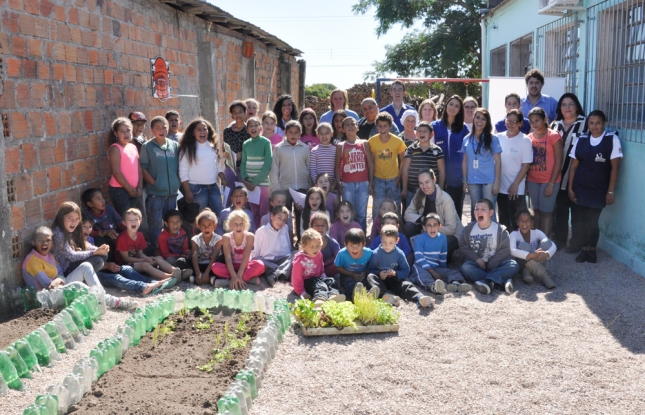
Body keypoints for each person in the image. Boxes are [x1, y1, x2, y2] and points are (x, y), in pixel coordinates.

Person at [38, 221, 137, 309]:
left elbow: (60, 274)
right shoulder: (32, 261)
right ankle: (111, 301)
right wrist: (59, 280)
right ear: (33, 242)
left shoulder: (50, 255)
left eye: (48, 240)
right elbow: (48, 285)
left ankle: (104, 298)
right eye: (40, 240)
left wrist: (60, 279)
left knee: (86, 266)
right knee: (78, 286)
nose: (45, 243)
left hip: (61, 285)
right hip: (49, 297)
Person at [567, 110, 622, 263]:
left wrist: (610, 191)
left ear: (604, 123)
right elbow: (573, 167)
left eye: (598, 122)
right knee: (582, 221)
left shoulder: (612, 139)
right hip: (581, 187)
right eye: (591, 123)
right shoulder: (581, 140)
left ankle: (592, 250)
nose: (595, 126)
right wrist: (570, 188)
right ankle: (584, 251)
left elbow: (615, 168)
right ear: (588, 124)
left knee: (592, 221)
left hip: (599, 189)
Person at [82, 218, 171, 296]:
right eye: (84, 226)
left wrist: (108, 264)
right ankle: (143, 287)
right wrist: (107, 265)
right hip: (88, 274)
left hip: (99, 267)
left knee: (126, 269)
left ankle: (153, 283)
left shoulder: (90, 239)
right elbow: (86, 263)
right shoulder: (75, 241)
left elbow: (97, 259)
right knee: (115, 278)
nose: (88, 229)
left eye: (90, 227)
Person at [459, 199, 519, 295]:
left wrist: (492, 263)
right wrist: (476, 259)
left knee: (513, 265)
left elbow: (505, 249)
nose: (479, 212)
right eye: (476, 209)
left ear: (491, 212)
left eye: (483, 209)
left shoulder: (501, 230)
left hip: (496, 264)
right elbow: (463, 245)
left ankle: (487, 282)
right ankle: (500, 281)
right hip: (477, 265)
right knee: (465, 268)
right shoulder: (468, 229)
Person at [550, 93, 587, 249]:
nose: (567, 107)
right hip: (558, 176)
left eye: (571, 104)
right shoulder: (554, 125)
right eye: (564, 105)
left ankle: (576, 242)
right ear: (560, 108)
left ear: (577, 106)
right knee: (561, 210)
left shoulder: (585, 124)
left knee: (578, 211)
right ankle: (560, 240)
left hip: (577, 176)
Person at [366, 225, 434, 308]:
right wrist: (379, 273)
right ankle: (385, 295)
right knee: (371, 277)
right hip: (381, 280)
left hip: (395, 279)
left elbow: (406, 270)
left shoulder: (399, 253)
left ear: (397, 241)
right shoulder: (376, 253)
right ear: (381, 239)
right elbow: (370, 270)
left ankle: (420, 297)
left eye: (390, 243)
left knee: (406, 284)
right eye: (384, 242)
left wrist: (396, 273)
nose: (387, 246)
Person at [403, 169, 462, 260]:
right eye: (421, 183)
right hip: (427, 232)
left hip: (446, 235)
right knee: (408, 226)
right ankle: (420, 253)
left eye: (427, 182)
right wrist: (423, 219)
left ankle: (428, 255)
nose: (424, 186)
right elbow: (407, 214)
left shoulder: (446, 199)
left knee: (448, 243)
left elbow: (451, 229)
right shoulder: (419, 194)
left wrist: (429, 228)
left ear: (434, 180)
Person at [140, 115, 180, 248]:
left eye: (164, 127)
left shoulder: (174, 145)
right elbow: (143, 168)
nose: (161, 130)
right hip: (156, 193)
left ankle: (171, 249)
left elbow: (180, 166)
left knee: (171, 223)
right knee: (156, 223)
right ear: (152, 130)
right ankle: (158, 250)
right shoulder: (147, 146)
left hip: (172, 193)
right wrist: (154, 182)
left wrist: (177, 182)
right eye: (158, 128)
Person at [269, 120, 310, 240]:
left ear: (300, 133)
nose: (293, 135)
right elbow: (274, 170)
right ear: (285, 132)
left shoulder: (305, 148)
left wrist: (309, 187)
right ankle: (285, 240)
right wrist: (276, 189)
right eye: (290, 132)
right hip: (285, 188)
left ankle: (300, 240)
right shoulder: (279, 148)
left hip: (302, 187)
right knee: (284, 216)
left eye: (296, 132)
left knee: (300, 215)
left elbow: (309, 167)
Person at [116, 208, 182, 281]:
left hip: (138, 261)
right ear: (124, 223)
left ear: (140, 221)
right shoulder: (122, 238)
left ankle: (176, 271)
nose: (133, 222)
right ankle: (169, 277)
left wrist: (147, 258)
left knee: (158, 258)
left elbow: (140, 253)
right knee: (145, 264)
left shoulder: (140, 235)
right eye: (130, 220)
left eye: (136, 220)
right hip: (125, 266)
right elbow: (126, 259)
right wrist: (144, 260)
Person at [412, 213, 471, 294]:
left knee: (453, 272)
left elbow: (443, 256)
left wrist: (442, 271)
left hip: (435, 267)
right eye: (429, 225)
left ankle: (456, 283)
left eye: (435, 225)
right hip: (421, 266)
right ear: (424, 227)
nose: (432, 228)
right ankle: (432, 287)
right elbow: (419, 258)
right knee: (423, 276)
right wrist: (433, 272)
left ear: (440, 226)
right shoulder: (420, 239)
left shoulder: (443, 238)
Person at [178, 118, 227, 215]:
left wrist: (223, 179)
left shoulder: (212, 147)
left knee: (218, 214)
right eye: (199, 129)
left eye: (205, 129)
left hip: (213, 187)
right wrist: (188, 191)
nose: (202, 132)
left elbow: (217, 165)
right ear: (193, 132)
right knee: (199, 217)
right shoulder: (187, 150)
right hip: (196, 189)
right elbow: (183, 172)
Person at [527, 107, 563, 237]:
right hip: (532, 180)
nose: (534, 124)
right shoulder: (529, 137)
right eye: (531, 121)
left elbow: (559, 161)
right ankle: (535, 240)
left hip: (549, 181)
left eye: (537, 120)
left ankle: (545, 242)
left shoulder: (553, 136)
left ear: (545, 119)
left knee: (546, 212)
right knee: (536, 212)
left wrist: (551, 184)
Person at [461, 108, 502, 220]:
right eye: (477, 117)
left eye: (483, 119)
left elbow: (498, 161)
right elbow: (465, 161)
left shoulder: (493, 139)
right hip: (473, 180)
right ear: (473, 119)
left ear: (487, 122)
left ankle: (492, 235)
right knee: (476, 210)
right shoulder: (466, 139)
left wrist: (497, 182)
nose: (480, 121)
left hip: (488, 181)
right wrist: (464, 181)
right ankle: (476, 235)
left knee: (489, 210)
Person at [432, 95, 469, 218]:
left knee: (456, 210)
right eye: (451, 104)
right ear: (446, 105)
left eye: (457, 106)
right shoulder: (434, 126)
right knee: (438, 211)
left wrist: (465, 179)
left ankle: (456, 236)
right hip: (437, 176)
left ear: (460, 110)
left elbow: (466, 155)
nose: (453, 107)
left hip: (456, 177)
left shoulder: (464, 130)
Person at [496, 109, 533, 231]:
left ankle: (518, 246)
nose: (510, 124)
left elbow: (526, 165)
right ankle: (506, 246)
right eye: (508, 120)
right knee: (503, 220)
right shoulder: (498, 138)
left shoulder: (525, 140)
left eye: (514, 121)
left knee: (516, 220)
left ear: (520, 124)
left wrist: (515, 184)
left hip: (516, 189)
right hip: (500, 186)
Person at [335, 117, 373, 231]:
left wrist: (371, 183)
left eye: (353, 124)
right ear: (343, 129)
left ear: (357, 127)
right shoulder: (341, 146)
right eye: (347, 125)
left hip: (363, 183)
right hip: (347, 184)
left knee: (362, 214)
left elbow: (370, 164)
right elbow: (337, 165)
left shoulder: (364, 143)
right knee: (349, 212)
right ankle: (350, 236)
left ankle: (362, 237)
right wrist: (338, 181)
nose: (350, 126)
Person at [368, 112, 407, 217]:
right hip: (378, 179)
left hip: (393, 179)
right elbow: (371, 162)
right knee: (377, 207)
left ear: (390, 126)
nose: (382, 129)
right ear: (376, 127)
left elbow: (404, 161)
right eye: (380, 126)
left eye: (385, 126)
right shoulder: (372, 141)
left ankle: (397, 229)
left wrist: (398, 180)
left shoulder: (398, 141)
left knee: (395, 207)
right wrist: (371, 181)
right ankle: (376, 230)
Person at [212, 211, 264, 289]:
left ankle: (230, 281)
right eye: (235, 224)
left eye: (241, 224)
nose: (238, 227)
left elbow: (246, 256)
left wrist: (239, 275)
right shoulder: (226, 237)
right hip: (231, 267)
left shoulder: (250, 236)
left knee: (260, 265)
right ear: (230, 225)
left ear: (246, 225)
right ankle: (247, 280)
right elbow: (228, 258)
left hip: (245, 266)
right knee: (215, 267)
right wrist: (234, 275)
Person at [292, 229, 344, 306]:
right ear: (304, 246)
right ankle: (319, 299)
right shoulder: (300, 260)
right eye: (311, 247)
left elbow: (321, 266)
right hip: (306, 282)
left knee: (331, 280)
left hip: (317, 278)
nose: (315, 249)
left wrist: (324, 276)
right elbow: (296, 278)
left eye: (317, 246)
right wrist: (302, 292)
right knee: (319, 285)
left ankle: (333, 295)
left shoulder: (319, 254)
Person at [401, 121, 445, 207]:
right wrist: (405, 189)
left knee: (429, 215)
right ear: (416, 134)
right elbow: (405, 169)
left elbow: (441, 171)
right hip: (412, 191)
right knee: (410, 215)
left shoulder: (437, 150)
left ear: (431, 134)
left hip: (431, 191)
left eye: (425, 131)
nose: (422, 133)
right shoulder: (411, 149)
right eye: (419, 131)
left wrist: (440, 190)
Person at [107, 117, 144, 219]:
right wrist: (129, 189)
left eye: (128, 130)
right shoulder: (115, 148)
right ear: (115, 134)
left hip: (135, 190)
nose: (126, 134)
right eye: (122, 131)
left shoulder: (133, 147)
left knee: (136, 219)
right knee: (125, 220)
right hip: (120, 190)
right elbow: (116, 172)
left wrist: (139, 187)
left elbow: (139, 168)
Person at [509, 209, 556, 288]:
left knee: (546, 242)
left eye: (527, 220)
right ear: (517, 222)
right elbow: (512, 251)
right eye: (521, 220)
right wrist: (531, 255)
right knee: (523, 245)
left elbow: (552, 244)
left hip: (537, 259)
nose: (524, 223)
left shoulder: (536, 232)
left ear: (532, 222)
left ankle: (527, 272)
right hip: (521, 264)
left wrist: (547, 254)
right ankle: (544, 277)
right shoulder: (514, 234)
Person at [241, 116, 272, 230]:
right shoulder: (246, 144)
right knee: (254, 212)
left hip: (262, 184)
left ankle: (265, 237)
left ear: (260, 128)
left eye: (256, 125)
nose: (253, 128)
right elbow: (243, 163)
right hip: (249, 185)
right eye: (250, 126)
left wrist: (255, 182)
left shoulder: (265, 142)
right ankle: (255, 237)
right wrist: (245, 179)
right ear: (247, 129)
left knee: (263, 212)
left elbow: (267, 165)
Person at [252, 205, 293, 287]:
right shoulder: (261, 231)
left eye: (284, 220)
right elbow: (256, 253)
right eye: (279, 218)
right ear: (272, 216)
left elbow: (288, 248)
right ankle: (279, 271)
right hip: (267, 261)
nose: (281, 222)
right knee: (257, 259)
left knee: (296, 254)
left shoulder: (285, 228)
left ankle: (274, 274)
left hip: (282, 260)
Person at [81, 188, 125, 263]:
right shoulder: (86, 214)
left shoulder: (109, 208)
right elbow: (89, 233)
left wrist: (129, 232)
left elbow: (120, 223)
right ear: (90, 204)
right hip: (100, 239)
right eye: (98, 199)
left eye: (102, 198)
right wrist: (104, 232)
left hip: (114, 235)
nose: (103, 201)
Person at [334, 229, 374, 301]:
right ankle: (353, 296)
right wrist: (351, 274)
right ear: (345, 245)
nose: (355, 249)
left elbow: (372, 264)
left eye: (358, 245)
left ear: (364, 244)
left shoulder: (369, 253)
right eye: (351, 245)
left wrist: (365, 272)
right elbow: (337, 267)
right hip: (348, 274)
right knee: (350, 284)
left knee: (368, 281)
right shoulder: (342, 254)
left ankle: (369, 295)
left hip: (362, 274)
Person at [190, 209, 222, 286]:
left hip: (212, 266)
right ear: (199, 226)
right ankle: (201, 277)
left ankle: (207, 277)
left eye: (209, 225)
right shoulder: (195, 239)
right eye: (203, 226)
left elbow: (214, 256)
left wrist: (207, 272)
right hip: (200, 265)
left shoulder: (218, 239)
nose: (206, 228)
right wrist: (198, 273)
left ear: (214, 226)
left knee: (222, 260)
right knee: (184, 261)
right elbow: (194, 256)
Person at [157, 209, 192, 275]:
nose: (175, 224)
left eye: (177, 222)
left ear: (181, 222)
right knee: (169, 261)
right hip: (170, 259)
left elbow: (185, 249)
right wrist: (178, 255)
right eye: (172, 222)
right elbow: (164, 254)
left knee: (191, 258)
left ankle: (182, 272)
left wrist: (188, 253)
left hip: (181, 258)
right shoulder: (162, 236)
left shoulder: (183, 233)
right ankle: (180, 272)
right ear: (166, 223)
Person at [310, 212, 341, 280]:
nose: (320, 228)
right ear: (311, 227)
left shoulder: (333, 243)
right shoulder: (308, 241)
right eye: (316, 225)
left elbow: (338, 257)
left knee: (336, 267)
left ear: (327, 227)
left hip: (327, 269)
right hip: (312, 268)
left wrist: (323, 264)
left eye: (322, 225)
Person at [223, 100, 250, 177]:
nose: (237, 114)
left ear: (245, 113)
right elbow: (225, 148)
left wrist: (242, 154)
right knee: (229, 188)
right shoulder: (227, 131)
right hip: (230, 167)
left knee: (244, 189)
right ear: (231, 115)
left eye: (240, 112)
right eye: (234, 112)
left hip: (245, 168)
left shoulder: (249, 130)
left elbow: (253, 148)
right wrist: (225, 154)